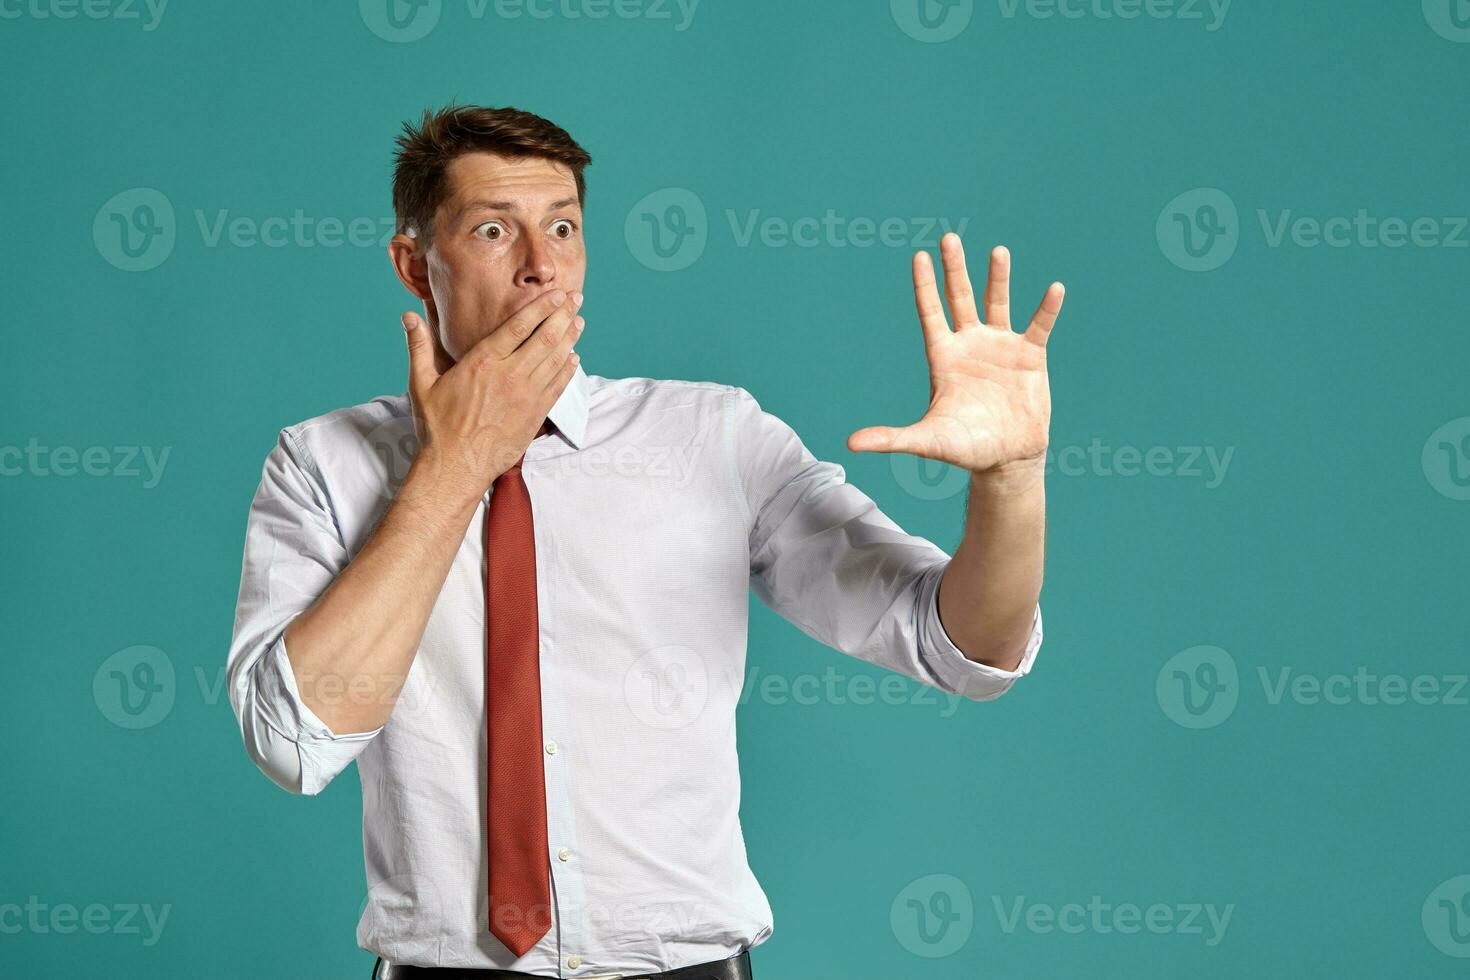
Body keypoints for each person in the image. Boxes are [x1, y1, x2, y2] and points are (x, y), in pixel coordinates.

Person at [225, 103, 1065, 980]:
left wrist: (1010, 480)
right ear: (413, 265)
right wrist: (454, 468)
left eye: (562, 228)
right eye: (491, 231)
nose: (540, 267)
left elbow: (964, 645)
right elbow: (294, 743)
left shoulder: (716, 437)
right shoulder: (321, 463)